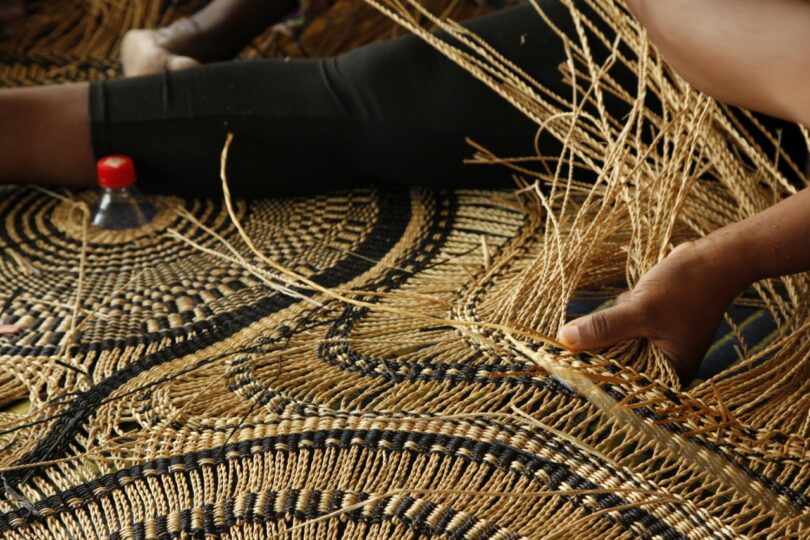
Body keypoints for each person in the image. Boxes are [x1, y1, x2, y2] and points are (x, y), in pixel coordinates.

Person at [0, 0, 808, 381]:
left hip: (704, 92)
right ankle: (197, 35)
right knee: (355, 98)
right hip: (641, 33)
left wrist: (721, 262)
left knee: (354, 106)